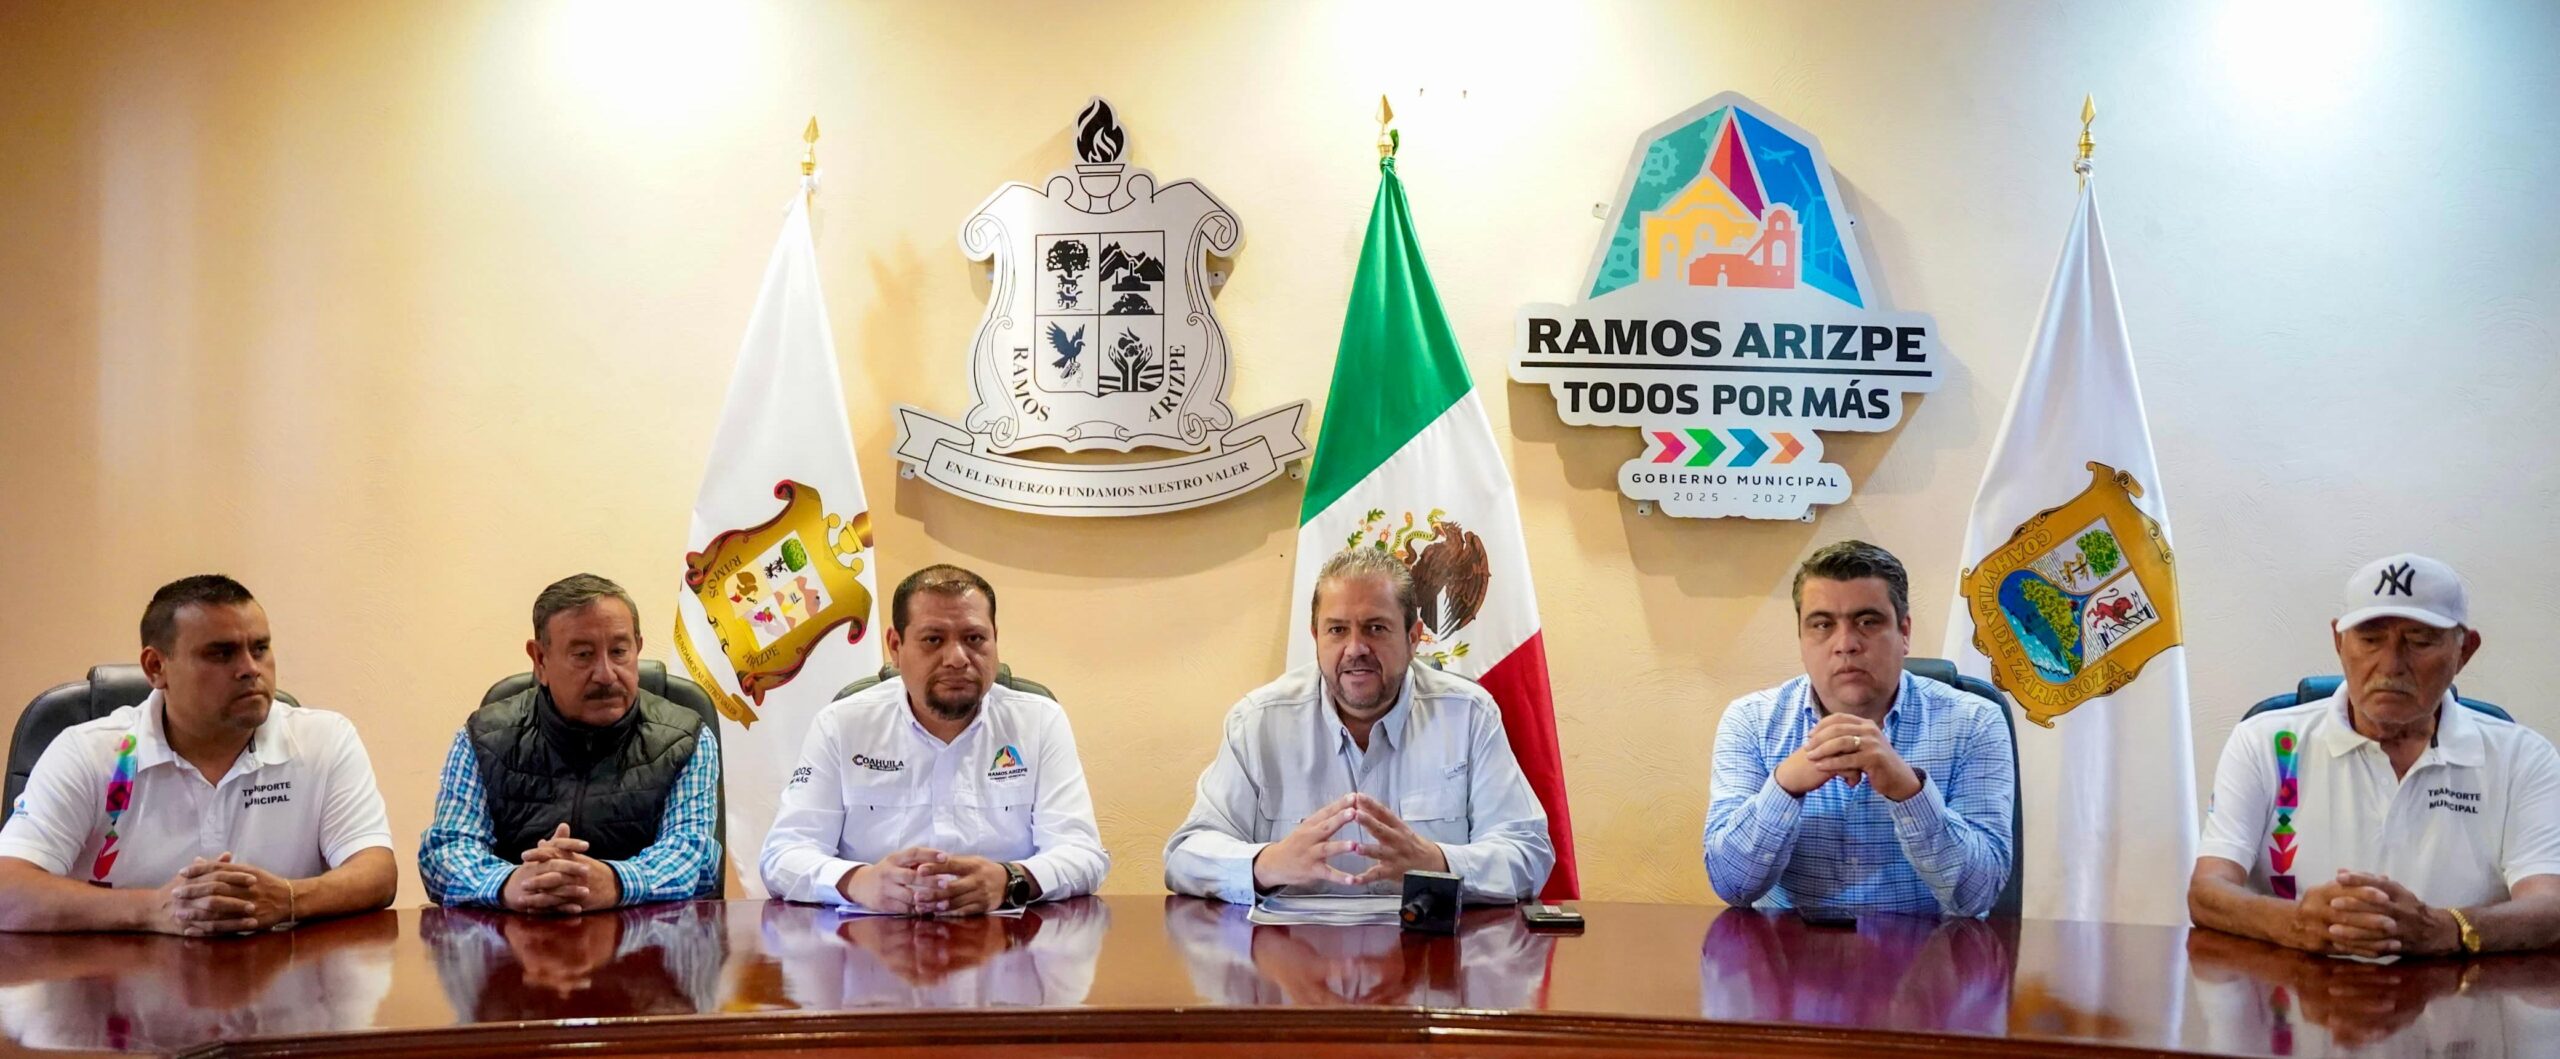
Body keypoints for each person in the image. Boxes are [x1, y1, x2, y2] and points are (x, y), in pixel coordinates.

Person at [2190, 553, 2560, 957]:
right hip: (2297, 985)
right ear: (2339, 643)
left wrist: (2445, 928)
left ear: (2464, 651)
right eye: (2370, 639)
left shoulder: (2523, 758)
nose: (2391, 665)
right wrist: (2296, 922)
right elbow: (2208, 891)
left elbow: (2549, 907)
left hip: (2458, 990)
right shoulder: (2264, 742)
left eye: (2419, 641)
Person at [0, 575, 396, 934]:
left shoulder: (324, 740)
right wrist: (153, 909)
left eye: (260, 648)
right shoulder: (90, 752)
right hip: (118, 982)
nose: (250, 669)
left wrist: (289, 899)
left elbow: (376, 872)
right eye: (221, 654)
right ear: (156, 667)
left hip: (279, 981)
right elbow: (7, 891)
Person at [1163, 547, 1554, 904]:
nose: (1355, 649)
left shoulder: (1468, 715)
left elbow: (1529, 852)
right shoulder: (1258, 721)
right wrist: (1266, 864)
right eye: (1337, 630)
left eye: (1375, 628)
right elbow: (1186, 855)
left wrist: (1438, 864)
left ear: (1413, 637)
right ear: (1316, 637)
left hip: (1428, 952)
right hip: (1295, 953)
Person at [761, 564, 1107, 913]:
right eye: (933, 640)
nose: (957, 659)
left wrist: (1011, 879)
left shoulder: (1039, 721)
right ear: (895, 646)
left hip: (1006, 936)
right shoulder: (841, 725)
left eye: (974, 639)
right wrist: (858, 882)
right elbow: (783, 856)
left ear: (995, 640)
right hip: (872, 936)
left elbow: (1083, 853)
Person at [1702, 540, 2015, 916]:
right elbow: (1732, 886)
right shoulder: (1750, 721)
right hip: (1789, 948)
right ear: (1801, 639)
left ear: (1904, 632)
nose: (1846, 644)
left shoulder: (1975, 722)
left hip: (1928, 947)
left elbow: (1977, 896)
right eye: (1822, 625)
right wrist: (1784, 786)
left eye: (1867, 622)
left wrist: (1908, 791)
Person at [419, 574, 720, 913]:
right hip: (516, 937)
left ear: (638, 648)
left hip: (644, 939)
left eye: (619, 652)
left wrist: (616, 881)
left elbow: (693, 856)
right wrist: (511, 883)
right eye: (583, 655)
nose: (606, 674)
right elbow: (446, 853)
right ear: (540, 660)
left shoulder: (685, 738)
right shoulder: (483, 738)